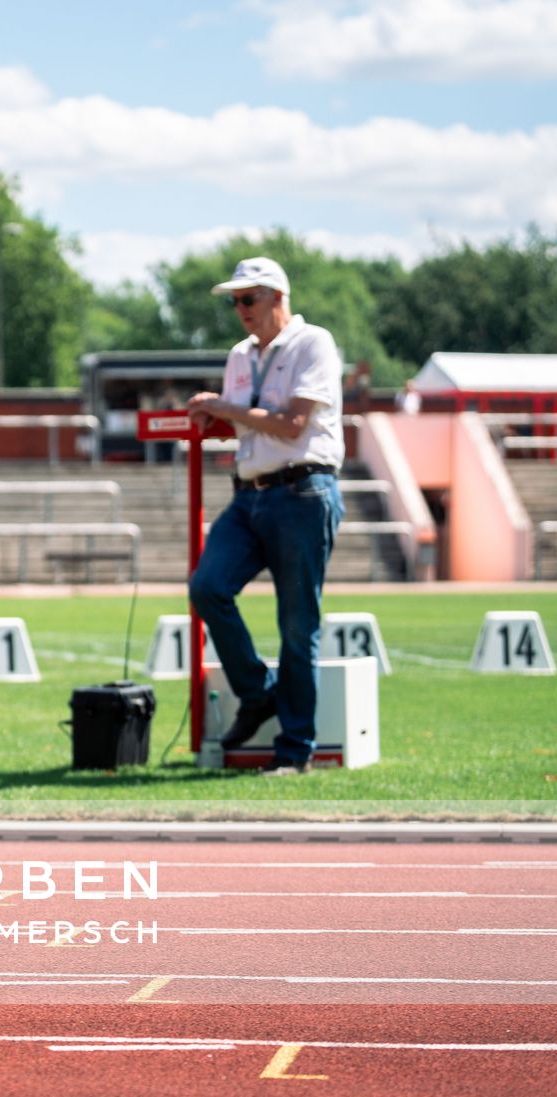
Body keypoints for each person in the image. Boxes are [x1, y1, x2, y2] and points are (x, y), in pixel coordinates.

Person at [185, 257, 345, 776]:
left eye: (248, 299)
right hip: (249, 493)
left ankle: (294, 751)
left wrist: (223, 408)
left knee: (297, 625)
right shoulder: (239, 355)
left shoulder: (313, 343)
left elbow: (293, 424)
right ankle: (257, 695)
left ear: (278, 296)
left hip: (303, 490)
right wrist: (211, 414)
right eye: (234, 301)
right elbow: (247, 425)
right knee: (207, 586)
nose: (240, 310)